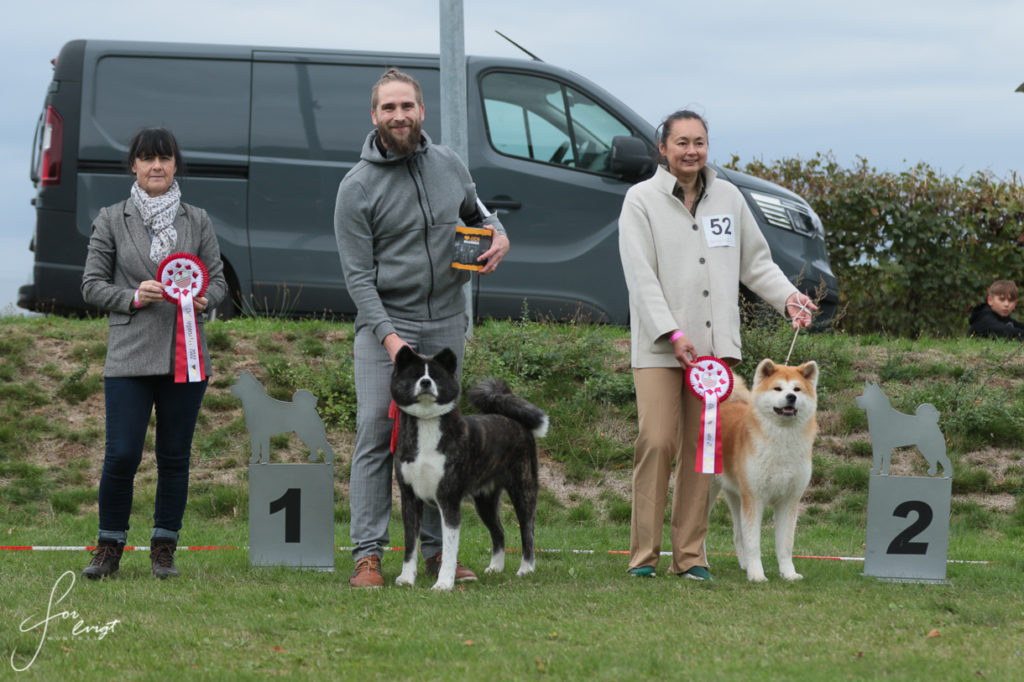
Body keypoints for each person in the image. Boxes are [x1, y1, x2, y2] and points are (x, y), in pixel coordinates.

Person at [617, 110, 816, 580]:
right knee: (658, 441)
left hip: (715, 351)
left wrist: (788, 296)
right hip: (661, 347)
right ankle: (644, 556)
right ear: (662, 149)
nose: (692, 151)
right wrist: (673, 333)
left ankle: (690, 557)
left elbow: (756, 262)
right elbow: (640, 277)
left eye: (700, 142)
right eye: (682, 142)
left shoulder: (728, 196)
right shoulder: (640, 200)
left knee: (701, 452)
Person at [334, 68, 510, 588]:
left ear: (421, 111)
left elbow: (481, 216)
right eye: (388, 108)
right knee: (377, 429)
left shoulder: (449, 164)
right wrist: (392, 342)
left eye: (406, 106)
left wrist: (500, 236)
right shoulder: (356, 187)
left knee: (443, 438)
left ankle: (437, 554)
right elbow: (357, 279)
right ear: (374, 116)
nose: (399, 116)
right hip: (384, 324)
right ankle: (368, 554)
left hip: (446, 320)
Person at [80, 127, 227, 580]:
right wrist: (132, 296)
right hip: (128, 356)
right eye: (147, 159)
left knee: (174, 457)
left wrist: (206, 300)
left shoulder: (197, 220)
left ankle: (164, 547)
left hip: (185, 358)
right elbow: (90, 286)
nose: (156, 166)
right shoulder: (110, 218)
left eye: (164, 158)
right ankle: (109, 547)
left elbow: (219, 282)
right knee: (122, 455)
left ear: (175, 165)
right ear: (134, 166)